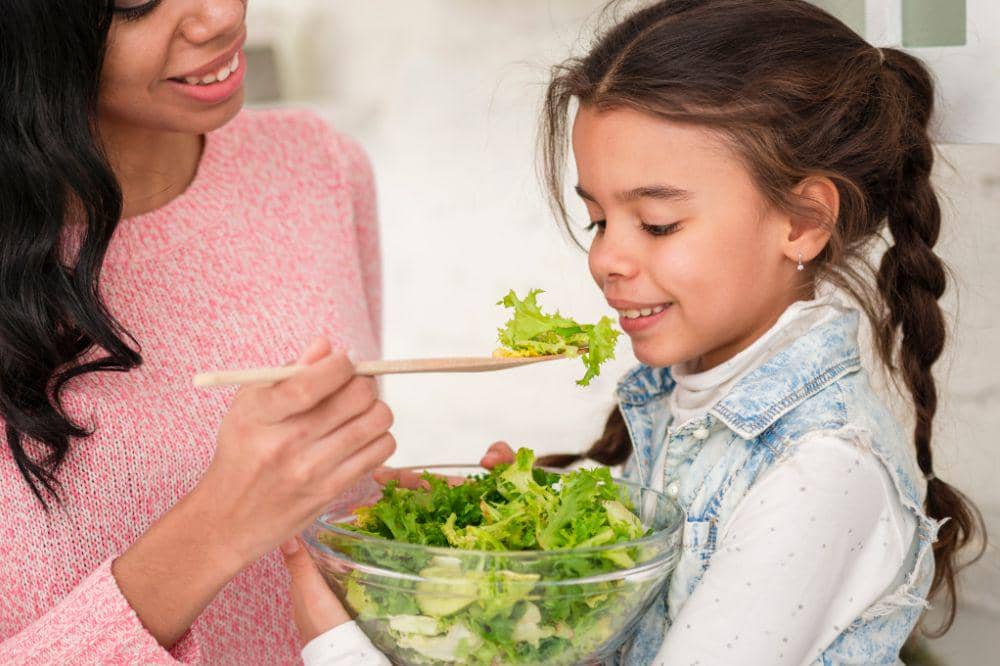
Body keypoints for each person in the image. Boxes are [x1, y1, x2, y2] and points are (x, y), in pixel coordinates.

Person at [291, 1, 985, 664]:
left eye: (657, 224)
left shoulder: (823, 473)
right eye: (597, 219)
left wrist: (337, 644)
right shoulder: (687, 404)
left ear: (802, 220)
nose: (604, 259)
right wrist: (531, 552)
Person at [0, 1, 395, 663]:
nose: (217, 16)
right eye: (134, 4)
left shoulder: (316, 166)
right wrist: (220, 525)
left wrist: (394, 517)